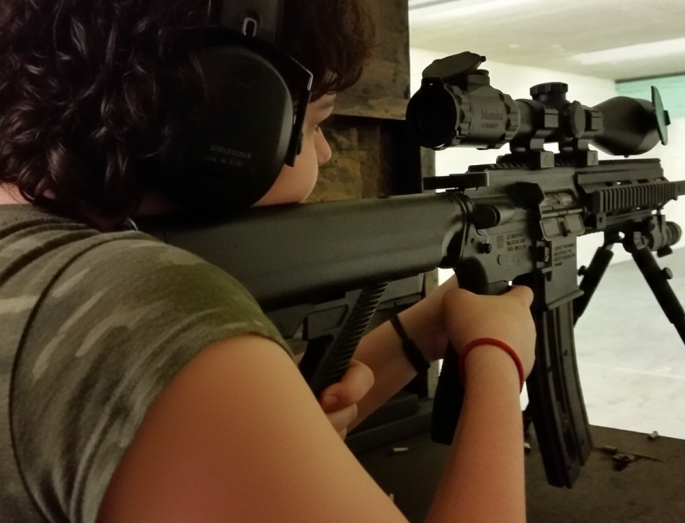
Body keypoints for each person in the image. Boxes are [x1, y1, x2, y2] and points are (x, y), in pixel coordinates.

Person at [0, 1, 538, 522]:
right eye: (315, 123)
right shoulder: (149, 306)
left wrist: (431, 325)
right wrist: (498, 356)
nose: (325, 153)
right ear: (230, 119)